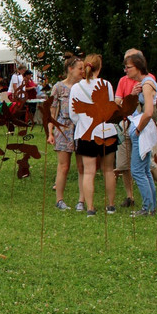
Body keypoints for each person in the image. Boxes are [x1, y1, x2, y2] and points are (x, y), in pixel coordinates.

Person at [69, 53, 118, 216]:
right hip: (106, 131)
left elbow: (73, 114)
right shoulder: (107, 84)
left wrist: (83, 122)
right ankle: (111, 205)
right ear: (100, 67)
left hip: (85, 133)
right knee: (108, 170)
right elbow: (111, 107)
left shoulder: (76, 87)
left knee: (88, 172)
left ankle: (90, 207)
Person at [124, 52, 157, 217]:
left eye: (128, 67)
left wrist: (138, 129)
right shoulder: (145, 83)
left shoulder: (147, 84)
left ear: (137, 67)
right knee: (144, 170)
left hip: (142, 129)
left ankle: (147, 207)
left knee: (138, 170)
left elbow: (148, 112)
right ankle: (151, 206)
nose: (126, 70)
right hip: (143, 128)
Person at [47, 54, 83, 210]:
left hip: (81, 128)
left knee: (82, 166)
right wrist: (50, 132)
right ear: (70, 69)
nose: (83, 71)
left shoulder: (83, 87)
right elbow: (52, 112)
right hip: (63, 128)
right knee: (64, 166)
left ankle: (81, 200)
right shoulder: (59, 87)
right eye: (80, 68)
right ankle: (59, 200)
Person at [113, 48, 141, 208]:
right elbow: (118, 101)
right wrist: (129, 96)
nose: (125, 68)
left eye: (128, 65)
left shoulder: (148, 80)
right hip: (125, 123)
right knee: (123, 163)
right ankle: (130, 196)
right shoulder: (123, 81)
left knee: (148, 163)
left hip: (140, 124)